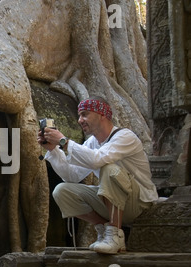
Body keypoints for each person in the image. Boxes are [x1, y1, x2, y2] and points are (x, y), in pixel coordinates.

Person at [37, 97, 158, 254]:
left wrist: (64, 142)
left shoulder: (125, 136)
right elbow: (71, 175)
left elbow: (97, 160)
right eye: (79, 115)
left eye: (85, 114)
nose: (80, 120)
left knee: (109, 169)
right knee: (62, 191)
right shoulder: (92, 142)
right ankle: (105, 230)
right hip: (113, 203)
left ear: (102, 114)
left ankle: (114, 235)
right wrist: (53, 150)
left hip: (139, 203)